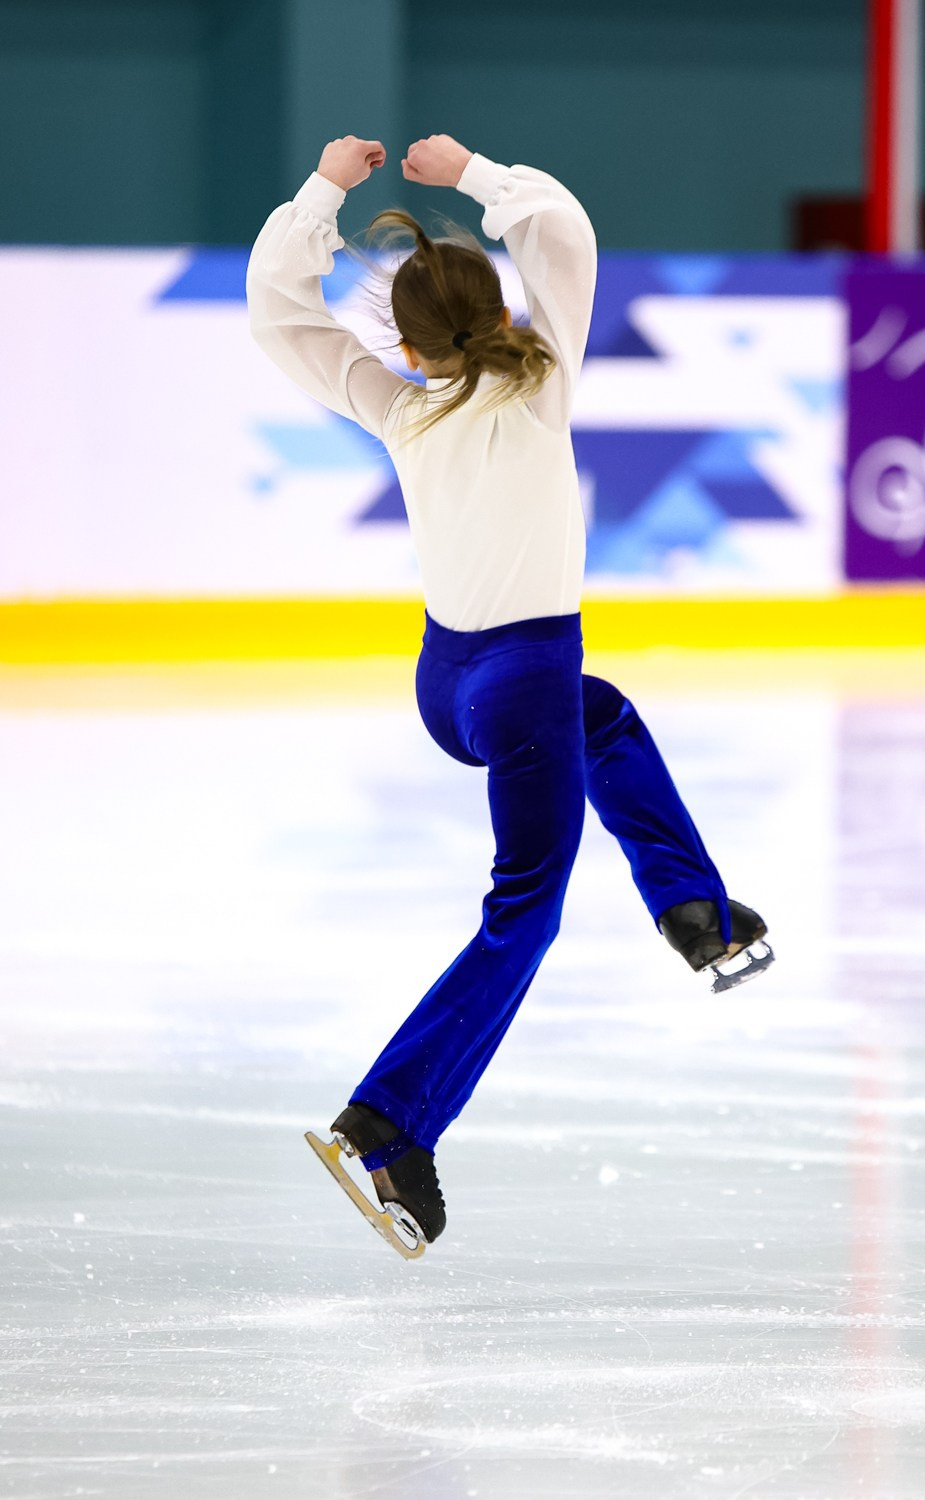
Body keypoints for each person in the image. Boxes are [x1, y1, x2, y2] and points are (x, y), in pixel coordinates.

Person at [246, 133, 773, 1256]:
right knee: (524, 909)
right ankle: (391, 1121)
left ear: (404, 338)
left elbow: (277, 311)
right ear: (494, 310)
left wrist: (326, 190)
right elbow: (562, 233)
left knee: (607, 714)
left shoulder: (396, 406)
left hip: (452, 685)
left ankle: (696, 912)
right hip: (525, 681)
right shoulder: (543, 385)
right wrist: (474, 174)